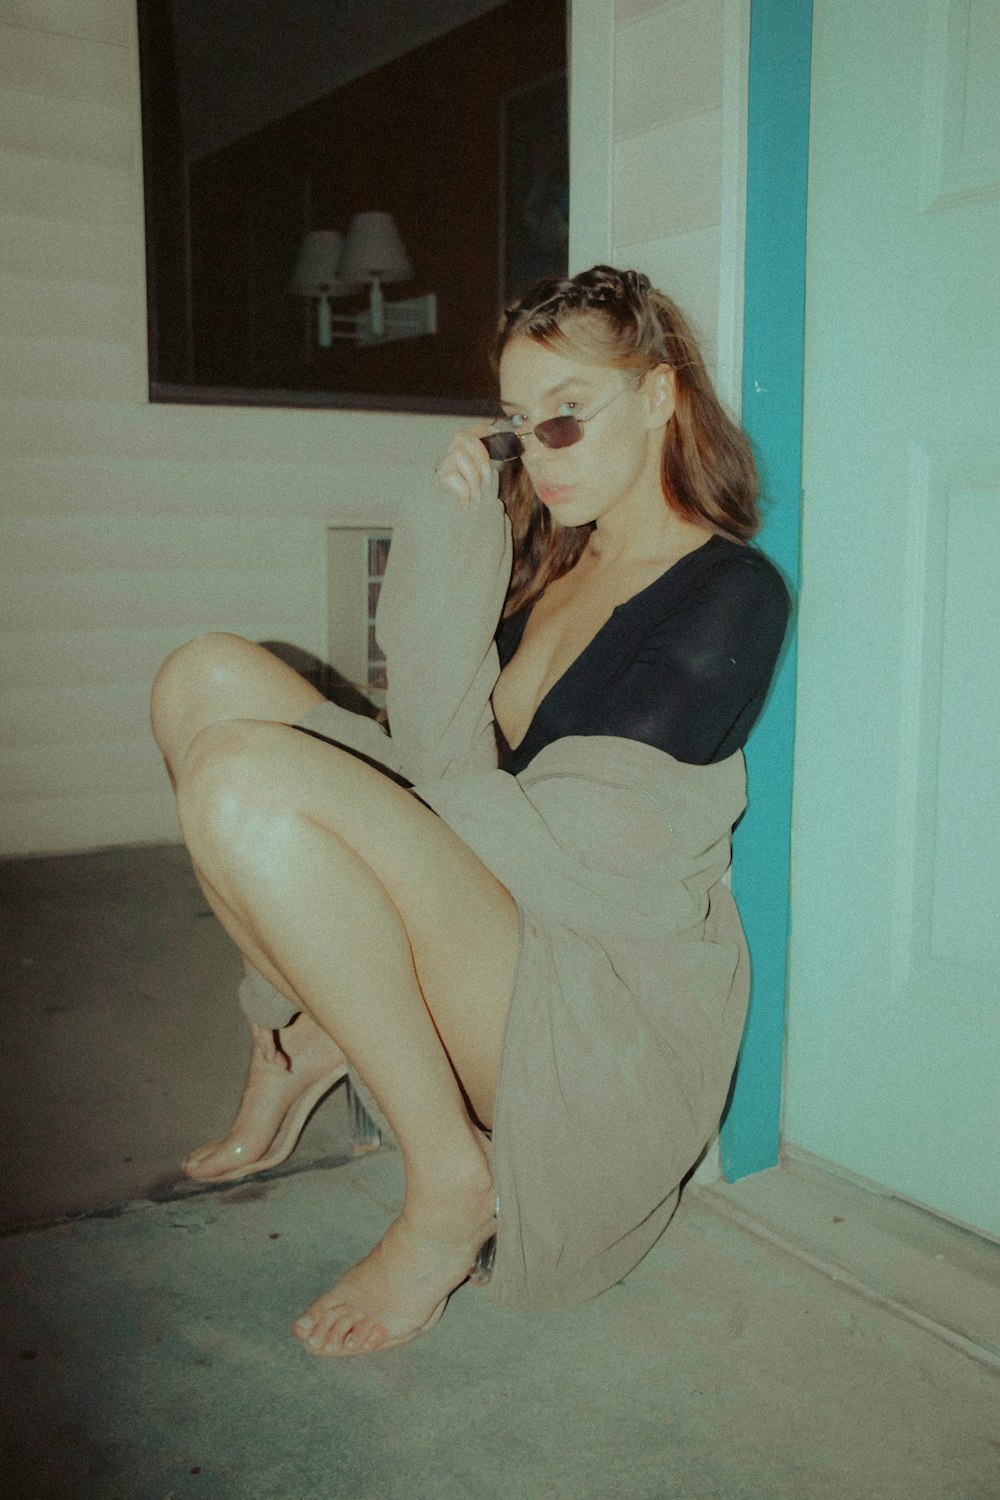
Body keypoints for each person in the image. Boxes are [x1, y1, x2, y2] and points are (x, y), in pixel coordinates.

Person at [150, 265, 789, 1359]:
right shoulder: (553, 559)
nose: (536, 455)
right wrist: (449, 547)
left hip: (585, 1004)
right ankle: (296, 1039)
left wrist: (444, 579)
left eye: (563, 420)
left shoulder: (730, 593)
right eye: (514, 429)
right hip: (499, 915)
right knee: (205, 680)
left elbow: (541, 850)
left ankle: (452, 1180)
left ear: (657, 396)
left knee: (246, 780)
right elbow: (445, 770)